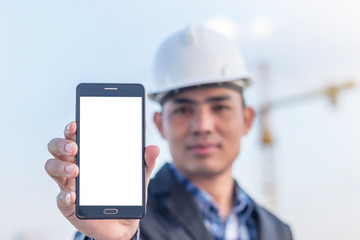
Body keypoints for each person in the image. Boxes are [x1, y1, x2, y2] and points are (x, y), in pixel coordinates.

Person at [46, 26, 293, 240]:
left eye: (220, 107)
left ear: (247, 119)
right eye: (184, 109)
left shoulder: (277, 230)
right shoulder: (130, 219)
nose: (202, 125)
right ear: (159, 124)